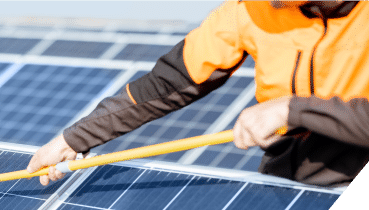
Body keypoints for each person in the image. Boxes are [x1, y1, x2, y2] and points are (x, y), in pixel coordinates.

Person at [27, 0, 369, 187]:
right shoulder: (250, 10)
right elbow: (169, 83)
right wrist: (73, 139)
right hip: (284, 180)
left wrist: (293, 110)